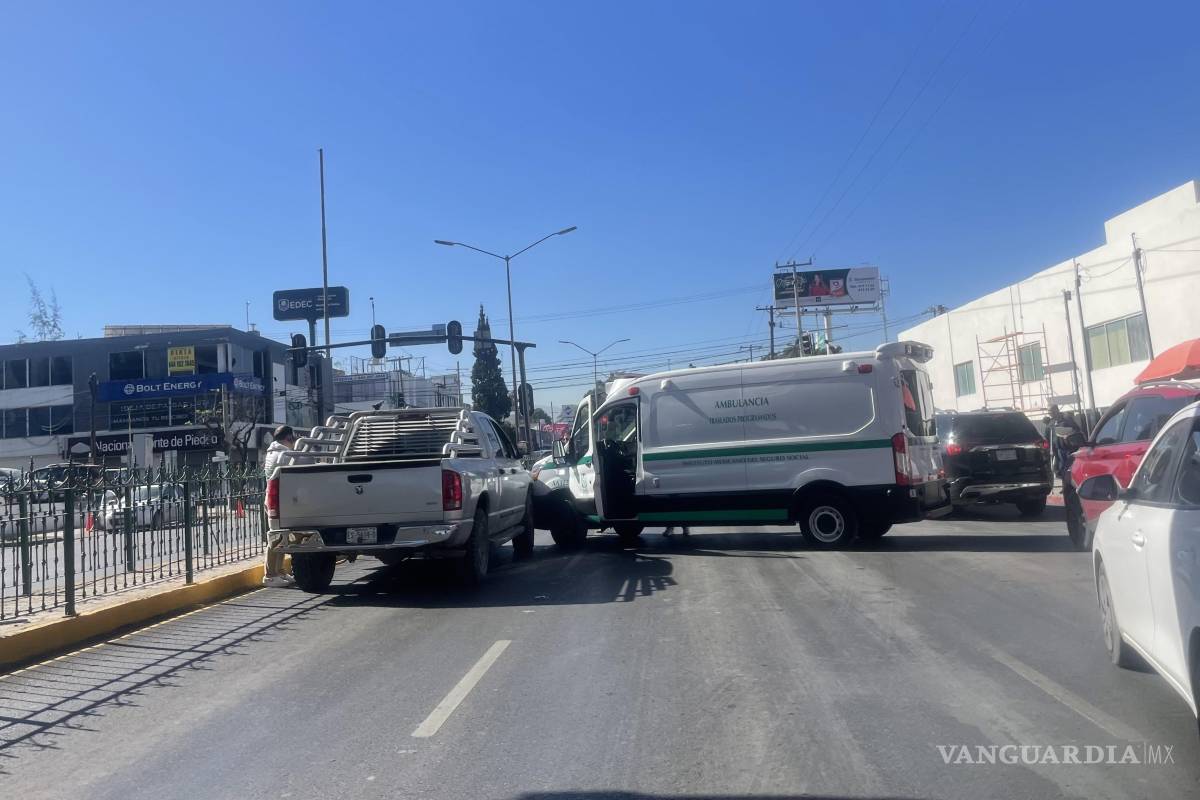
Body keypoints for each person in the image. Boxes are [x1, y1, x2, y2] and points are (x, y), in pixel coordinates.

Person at [262, 425, 298, 587]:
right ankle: (270, 575)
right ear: (288, 438)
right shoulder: (283, 454)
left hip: (274, 499)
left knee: (281, 536)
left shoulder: (272, 452)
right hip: (278, 500)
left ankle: (279, 571)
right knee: (276, 537)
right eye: (293, 438)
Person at [1044, 405, 1079, 480]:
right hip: (1059, 449)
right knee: (1062, 467)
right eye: (1049, 411)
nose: (1050, 413)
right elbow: (1047, 436)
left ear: (1057, 410)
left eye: (1051, 411)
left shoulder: (1067, 419)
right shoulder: (1051, 423)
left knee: (1071, 466)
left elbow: (1076, 429)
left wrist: (1069, 434)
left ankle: (1073, 481)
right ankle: (1065, 483)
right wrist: (1050, 448)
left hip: (1069, 448)